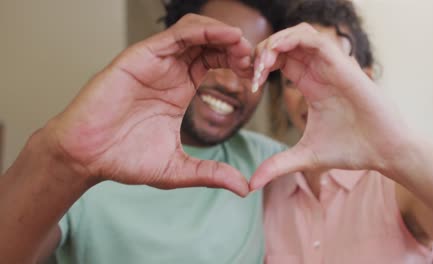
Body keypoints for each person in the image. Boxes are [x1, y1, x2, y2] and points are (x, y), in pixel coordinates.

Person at [0, 1, 289, 263]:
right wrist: (62, 160)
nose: (232, 84)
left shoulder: (268, 162)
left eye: (253, 68)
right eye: (215, 57)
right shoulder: (95, 160)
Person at [249, 0, 433, 263]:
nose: (310, 94)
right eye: (292, 80)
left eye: (326, 73)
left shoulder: (399, 186)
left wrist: (401, 148)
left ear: (366, 81)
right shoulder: (269, 191)